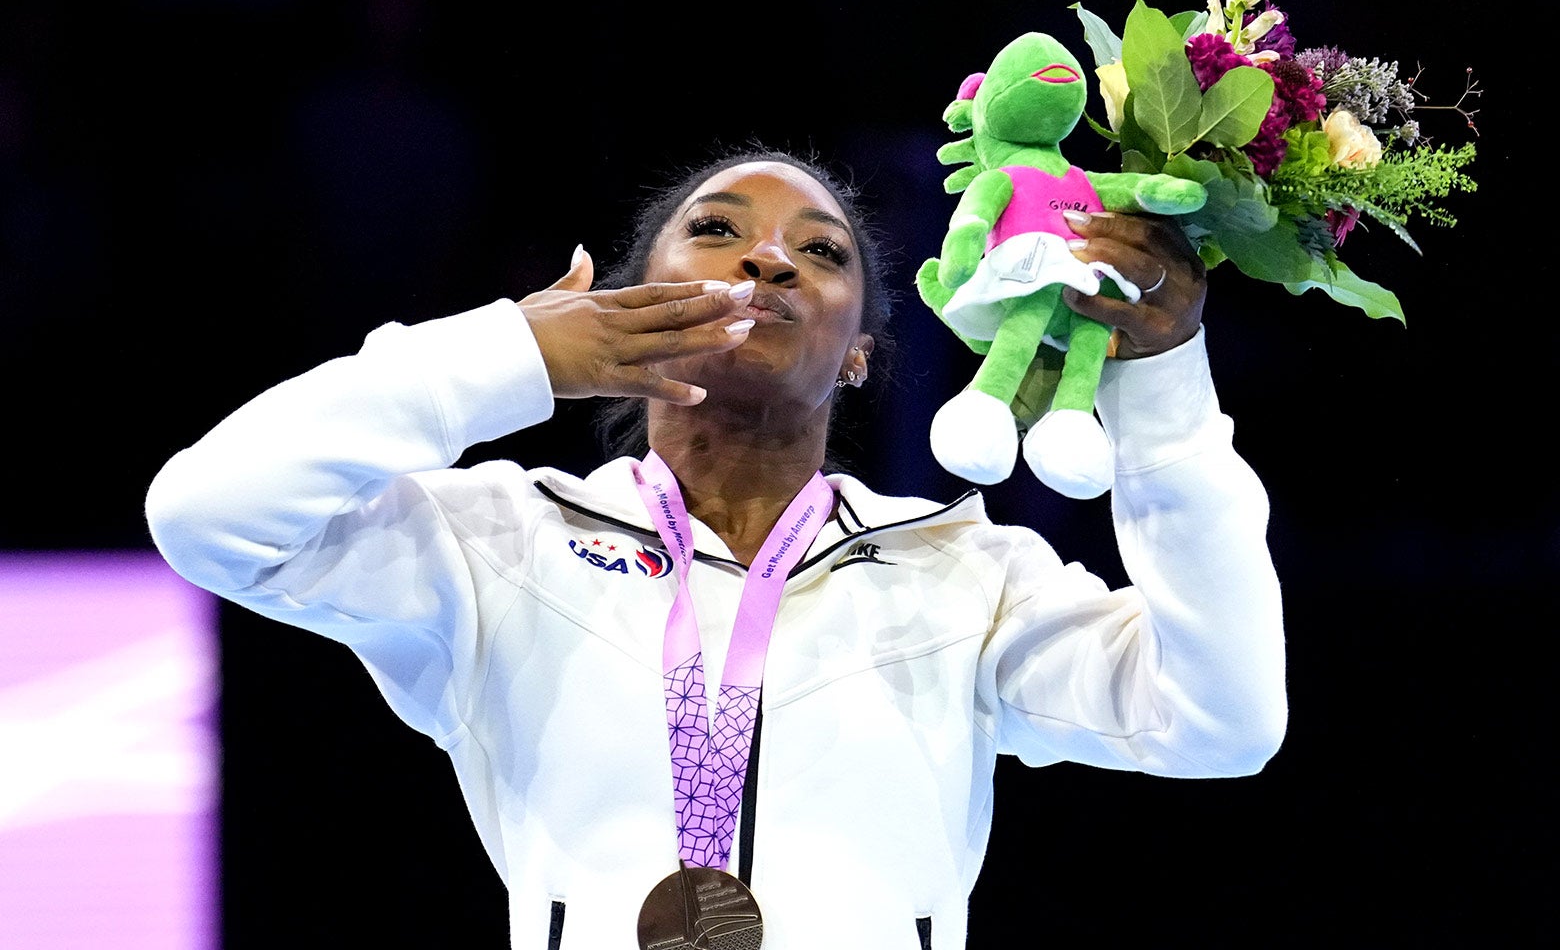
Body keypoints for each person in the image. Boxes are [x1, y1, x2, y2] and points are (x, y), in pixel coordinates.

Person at [145, 145, 1287, 950]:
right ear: (625, 303)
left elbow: (1222, 719)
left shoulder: (964, 572)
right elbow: (207, 512)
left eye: (822, 252)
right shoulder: (498, 544)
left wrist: (1165, 387)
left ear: (855, 357)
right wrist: (506, 355)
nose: (772, 261)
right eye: (719, 230)